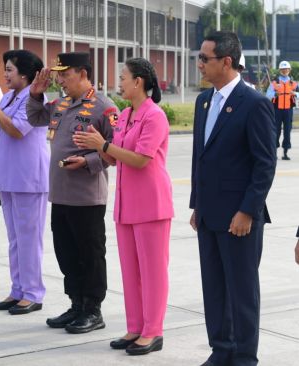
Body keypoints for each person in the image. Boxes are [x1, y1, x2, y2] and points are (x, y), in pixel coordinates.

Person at [74, 58, 173, 355]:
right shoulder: (126, 114)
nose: (119, 81)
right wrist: (95, 146)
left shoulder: (154, 116)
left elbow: (142, 159)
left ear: (139, 82)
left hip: (152, 204)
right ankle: (135, 327)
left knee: (153, 271)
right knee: (131, 271)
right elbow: (117, 157)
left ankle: (153, 331)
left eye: (123, 77)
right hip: (127, 204)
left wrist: (101, 145)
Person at [190, 31, 276, 366]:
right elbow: (201, 157)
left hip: (240, 218)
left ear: (226, 61)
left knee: (241, 292)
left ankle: (244, 356)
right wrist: (197, 204)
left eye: (205, 58)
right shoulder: (204, 101)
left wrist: (247, 211)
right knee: (214, 288)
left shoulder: (253, 103)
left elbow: (264, 164)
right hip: (209, 214)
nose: (200, 64)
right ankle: (221, 349)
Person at [27, 52, 117, 334]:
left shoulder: (104, 106)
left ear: (81, 73)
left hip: (87, 196)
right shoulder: (61, 103)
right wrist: (36, 94)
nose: (60, 79)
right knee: (66, 253)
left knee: (89, 254)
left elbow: (116, 152)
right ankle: (76, 303)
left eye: (65, 74)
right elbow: (35, 118)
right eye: (59, 75)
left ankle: (93, 309)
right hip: (61, 194)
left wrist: (89, 161)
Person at [0, 50, 49, 315]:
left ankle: (33, 293)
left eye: (10, 69)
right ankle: (18, 289)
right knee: (15, 239)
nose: (5, 74)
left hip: (28, 178)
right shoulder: (8, 97)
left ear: (25, 74)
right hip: (8, 176)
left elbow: (16, 130)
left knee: (29, 239)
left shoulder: (36, 99)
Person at [266, 60, 298, 160]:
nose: (285, 71)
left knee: (287, 131)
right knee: (276, 131)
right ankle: (274, 152)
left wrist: (295, 94)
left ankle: (285, 152)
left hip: (288, 111)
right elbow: (268, 95)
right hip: (277, 110)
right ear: (280, 70)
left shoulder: (294, 83)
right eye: (283, 69)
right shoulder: (275, 83)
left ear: (290, 70)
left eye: (287, 69)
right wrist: (275, 94)